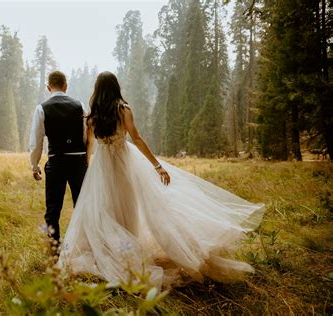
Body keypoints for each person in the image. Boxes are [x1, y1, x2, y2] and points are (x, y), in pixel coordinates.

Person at [57, 71, 265, 289]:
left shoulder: (92, 116)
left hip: (101, 166)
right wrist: (157, 165)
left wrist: (89, 168)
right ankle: (125, 250)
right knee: (127, 207)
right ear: (115, 88)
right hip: (121, 165)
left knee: (104, 210)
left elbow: (89, 145)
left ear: (97, 90)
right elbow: (136, 139)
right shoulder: (123, 110)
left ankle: (111, 250)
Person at [29, 71, 88, 248]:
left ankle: (54, 248)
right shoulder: (80, 106)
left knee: (53, 209)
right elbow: (86, 135)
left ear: (48, 87)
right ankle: (84, 245)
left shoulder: (41, 108)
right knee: (82, 205)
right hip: (78, 162)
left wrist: (35, 165)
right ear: (65, 86)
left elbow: (36, 141)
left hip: (56, 162)